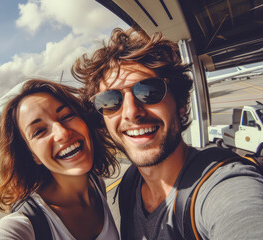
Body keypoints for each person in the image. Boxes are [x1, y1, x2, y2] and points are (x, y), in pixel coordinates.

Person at [72, 26, 263, 239]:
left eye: (149, 91)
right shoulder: (129, 184)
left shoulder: (222, 185)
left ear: (180, 104)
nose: (131, 112)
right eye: (110, 100)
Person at [0, 79, 120, 240]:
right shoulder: (23, 225)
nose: (62, 133)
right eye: (39, 131)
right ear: (33, 155)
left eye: (67, 116)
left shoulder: (97, 185)